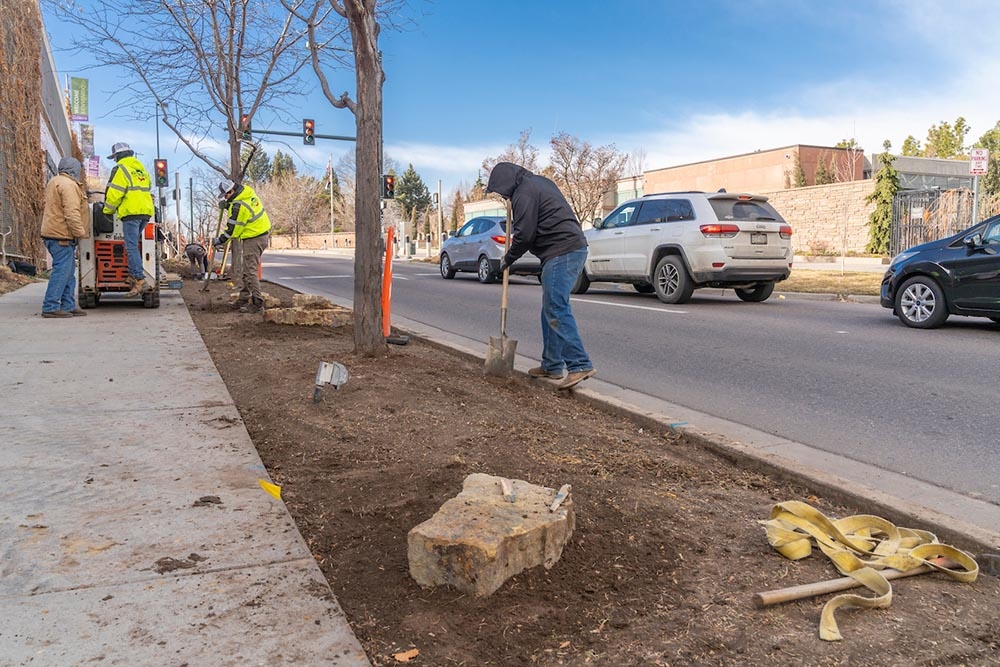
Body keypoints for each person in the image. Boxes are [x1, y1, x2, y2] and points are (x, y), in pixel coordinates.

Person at [485, 162, 595, 390]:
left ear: (506, 183)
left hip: (561, 251)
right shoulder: (539, 183)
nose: (502, 195)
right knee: (551, 308)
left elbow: (525, 234)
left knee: (556, 307)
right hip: (569, 249)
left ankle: (579, 364)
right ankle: (552, 365)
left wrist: (508, 259)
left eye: (500, 191)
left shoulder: (524, 193)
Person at [103, 142, 155, 297]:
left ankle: (139, 279)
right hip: (145, 212)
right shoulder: (141, 170)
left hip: (131, 213)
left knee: (130, 246)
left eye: (114, 157)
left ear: (117, 156)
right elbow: (149, 186)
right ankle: (132, 275)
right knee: (134, 245)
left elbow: (115, 193)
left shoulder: (121, 168)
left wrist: (107, 210)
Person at [40, 157, 90, 318]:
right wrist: (80, 233)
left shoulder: (55, 181)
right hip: (61, 235)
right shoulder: (69, 185)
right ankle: (50, 306)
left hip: (55, 233)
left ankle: (68, 305)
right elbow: (71, 212)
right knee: (62, 271)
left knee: (68, 271)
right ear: (74, 169)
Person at [215, 178, 271, 313]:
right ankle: (243, 299)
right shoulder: (246, 192)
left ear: (232, 191)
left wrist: (220, 240)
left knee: (250, 271)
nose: (226, 198)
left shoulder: (238, 206)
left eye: (227, 195)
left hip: (254, 237)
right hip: (260, 233)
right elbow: (242, 208)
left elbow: (233, 230)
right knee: (247, 270)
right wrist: (227, 205)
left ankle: (258, 303)